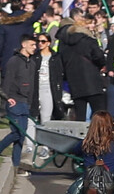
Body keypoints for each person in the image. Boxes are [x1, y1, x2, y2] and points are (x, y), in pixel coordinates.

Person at [58, 9, 108, 120]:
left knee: (79, 116)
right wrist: (100, 66)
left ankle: (80, 137)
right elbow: (99, 57)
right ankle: (100, 136)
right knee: (100, 115)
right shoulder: (89, 40)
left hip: (75, 83)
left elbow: (62, 63)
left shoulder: (64, 44)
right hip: (93, 82)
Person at [0, 34, 38, 175]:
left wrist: (31, 103)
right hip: (14, 101)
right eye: (32, 45)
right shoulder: (14, 61)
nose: (35, 47)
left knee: (21, 136)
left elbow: (33, 85)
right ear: (24, 45)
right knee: (17, 132)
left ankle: (16, 165)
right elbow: (6, 82)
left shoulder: (32, 63)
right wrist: (7, 98)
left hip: (25, 103)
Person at [34, 32, 65, 123]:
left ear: (48, 43)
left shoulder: (55, 57)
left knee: (46, 116)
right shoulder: (35, 57)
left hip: (48, 88)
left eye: (43, 41)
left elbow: (59, 73)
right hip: (36, 88)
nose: (40, 43)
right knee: (33, 116)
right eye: (38, 41)